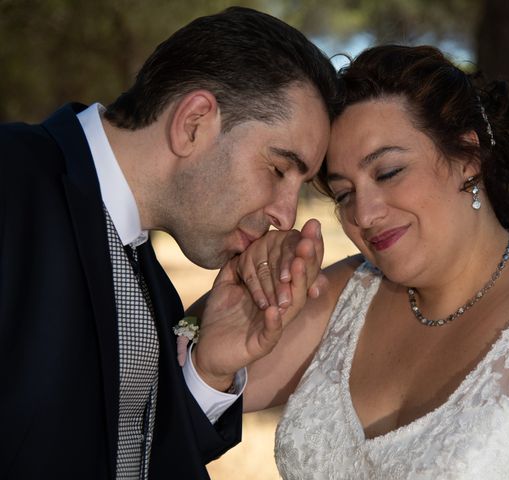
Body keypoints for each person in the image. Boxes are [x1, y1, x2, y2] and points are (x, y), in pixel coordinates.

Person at [234, 45, 509, 479]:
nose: (364, 215)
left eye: (388, 172)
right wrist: (248, 280)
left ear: (468, 157)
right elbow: (182, 377)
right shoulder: (346, 293)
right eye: (345, 193)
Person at [0, 6, 338, 479]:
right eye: (279, 169)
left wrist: (209, 372)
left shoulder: (153, 285)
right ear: (194, 122)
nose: (286, 215)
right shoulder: (11, 181)